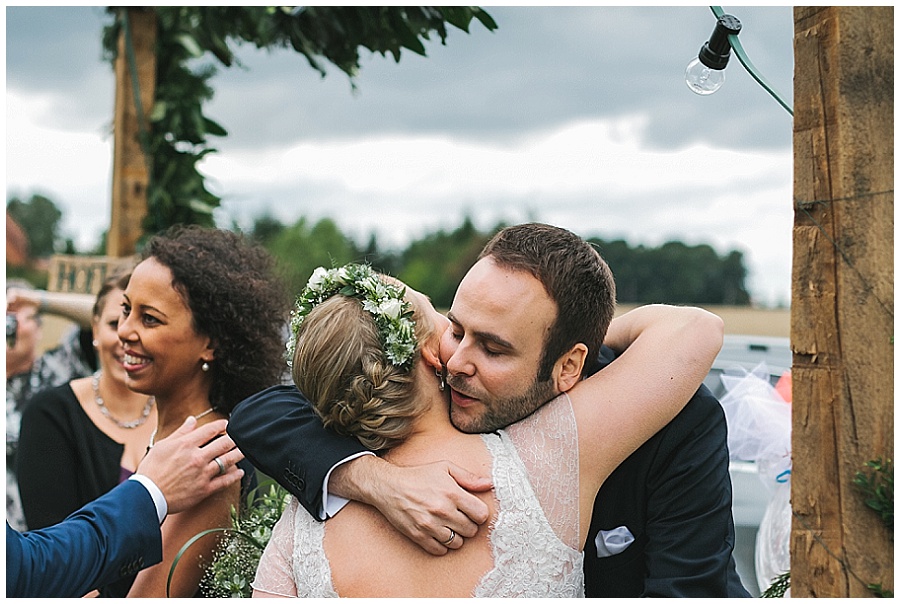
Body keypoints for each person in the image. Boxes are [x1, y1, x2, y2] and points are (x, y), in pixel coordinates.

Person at [230, 223, 750, 597]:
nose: (456, 361)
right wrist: (377, 483)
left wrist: (582, 341)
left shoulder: (671, 422)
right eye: (455, 329)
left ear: (570, 366)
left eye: (495, 348)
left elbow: (687, 589)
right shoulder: (509, 437)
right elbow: (259, 412)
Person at [104, 224, 288, 597]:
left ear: (210, 343)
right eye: (126, 310)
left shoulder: (209, 457)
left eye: (149, 318)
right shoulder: (177, 436)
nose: (124, 331)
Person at [7, 415, 245, 598]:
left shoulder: (209, 459)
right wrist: (150, 491)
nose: (127, 346)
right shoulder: (51, 416)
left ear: (209, 348)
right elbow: (22, 568)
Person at [17, 270, 159, 531]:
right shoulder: (51, 413)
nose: (126, 337)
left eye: (148, 321)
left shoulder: (183, 410)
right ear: (94, 328)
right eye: (115, 324)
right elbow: (52, 539)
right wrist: (35, 301)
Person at [6, 281, 97, 530]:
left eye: (14, 319)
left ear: (38, 329)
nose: (7, 326)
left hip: (45, 539)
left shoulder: (59, 369)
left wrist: (38, 300)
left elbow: (105, 314)